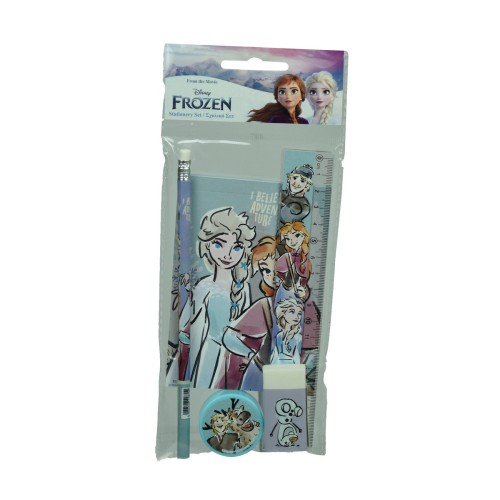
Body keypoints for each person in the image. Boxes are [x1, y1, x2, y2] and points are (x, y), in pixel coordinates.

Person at [179, 207, 256, 388]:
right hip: (210, 354)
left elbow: (246, 328)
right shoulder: (203, 286)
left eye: (236, 247)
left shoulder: (243, 288)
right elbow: (187, 327)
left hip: (234, 356)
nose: (228, 254)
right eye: (219, 245)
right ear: (207, 245)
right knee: (205, 388)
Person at [217, 236, 279, 391]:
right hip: (256, 374)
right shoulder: (265, 306)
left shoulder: (300, 305)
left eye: (278, 269)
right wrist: (249, 354)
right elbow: (229, 337)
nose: (271, 276)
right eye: (266, 270)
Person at [271, 298, 304, 364]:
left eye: (299, 313)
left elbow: (297, 361)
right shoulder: (279, 336)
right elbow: (274, 358)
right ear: (283, 313)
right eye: (292, 312)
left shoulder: (298, 338)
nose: (297, 316)